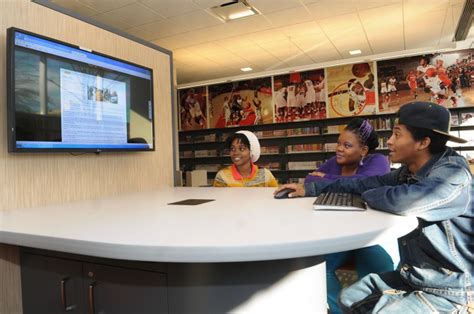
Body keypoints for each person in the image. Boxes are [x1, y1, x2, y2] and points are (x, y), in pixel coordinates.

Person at [275, 102, 473, 313]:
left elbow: (400, 200)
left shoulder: (453, 176)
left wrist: (366, 196)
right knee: (349, 297)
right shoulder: (407, 172)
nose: (389, 141)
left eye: (397, 135)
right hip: (410, 277)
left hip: (447, 291)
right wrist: (311, 188)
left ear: (423, 142)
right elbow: (364, 183)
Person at [305, 118, 394, 314]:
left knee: (383, 267)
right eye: (338, 143)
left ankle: (371, 308)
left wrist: (327, 180)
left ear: (363, 150)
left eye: (347, 145)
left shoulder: (377, 160)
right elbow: (310, 178)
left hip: (366, 235)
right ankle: (341, 310)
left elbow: (367, 182)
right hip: (335, 232)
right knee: (320, 271)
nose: (339, 149)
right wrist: (340, 180)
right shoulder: (336, 162)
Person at [214, 131, 278, 187]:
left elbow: (274, 196)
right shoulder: (222, 176)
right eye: (232, 149)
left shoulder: (265, 175)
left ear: (252, 150)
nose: (236, 153)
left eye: (242, 148)